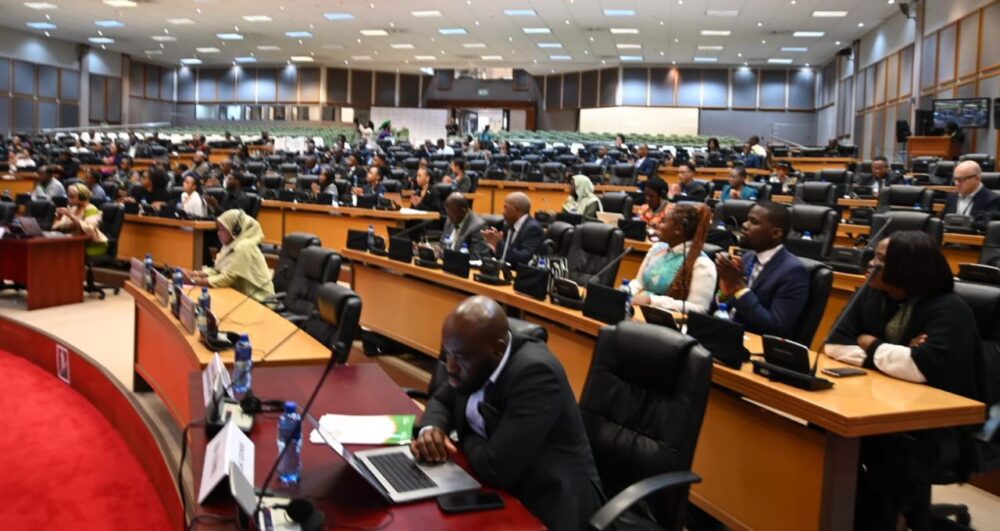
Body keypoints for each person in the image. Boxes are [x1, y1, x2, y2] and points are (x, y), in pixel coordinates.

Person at [824, 231, 983, 530]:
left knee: (874, 453)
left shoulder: (950, 310)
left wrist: (870, 344)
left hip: (935, 430)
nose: (871, 264)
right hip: (884, 410)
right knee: (824, 433)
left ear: (907, 268)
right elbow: (833, 344)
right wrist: (896, 355)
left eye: (881, 260)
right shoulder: (873, 295)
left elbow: (921, 368)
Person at [411, 296, 604, 530]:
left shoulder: (536, 374)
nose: (450, 366)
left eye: (460, 357)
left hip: (548, 502)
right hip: (495, 487)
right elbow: (443, 398)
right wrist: (433, 429)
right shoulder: (473, 355)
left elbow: (496, 468)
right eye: (447, 353)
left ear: (498, 349)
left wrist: (462, 438)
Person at [714, 201, 809, 338]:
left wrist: (739, 286)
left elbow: (776, 328)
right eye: (747, 219)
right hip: (724, 334)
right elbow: (722, 308)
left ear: (776, 233)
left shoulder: (793, 272)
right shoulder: (747, 258)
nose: (745, 225)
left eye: (754, 222)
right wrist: (725, 292)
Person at [630, 203, 717, 314]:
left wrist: (652, 300)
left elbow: (699, 308)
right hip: (639, 312)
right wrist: (626, 291)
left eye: (663, 222)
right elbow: (639, 283)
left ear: (678, 229)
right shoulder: (657, 249)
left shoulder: (702, 263)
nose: (657, 224)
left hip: (668, 324)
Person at [184, 209, 275, 302]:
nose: (218, 233)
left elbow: (228, 278)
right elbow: (217, 270)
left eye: (222, 229)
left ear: (235, 230)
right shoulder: (230, 245)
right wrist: (192, 274)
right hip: (243, 296)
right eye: (218, 229)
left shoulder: (244, 247)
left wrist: (194, 281)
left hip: (261, 301)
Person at [482, 192, 544, 267]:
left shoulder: (532, 229)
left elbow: (524, 259)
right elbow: (504, 256)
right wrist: (493, 245)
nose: (503, 211)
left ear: (517, 209)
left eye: (505, 207)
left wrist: (498, 244)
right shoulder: (508, 225)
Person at [52, 183, 108, 257]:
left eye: (72, 197)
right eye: (69, 196)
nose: (69, 199)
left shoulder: (91, 209)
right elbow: (58, 226)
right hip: (73, 241)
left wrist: (70, 215)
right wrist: (58, 217)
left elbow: (89, 230)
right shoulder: (73, 209)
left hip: (91, 244)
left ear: (82, 197)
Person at [944, 160, 1000, 231]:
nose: (957, 183)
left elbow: (986, 226)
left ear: (977, 178)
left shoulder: (994, 200)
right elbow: (943, 221)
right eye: (955, 179)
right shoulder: (951, 197)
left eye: (961, 179)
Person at [440, 192, 490, 258]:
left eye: (452, 215)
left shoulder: (478, 226)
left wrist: (449, 256)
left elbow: (477, 256)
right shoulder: (449, 220)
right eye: (448, 213)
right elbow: (442, 244)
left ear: (463, 211)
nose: (449, 218)